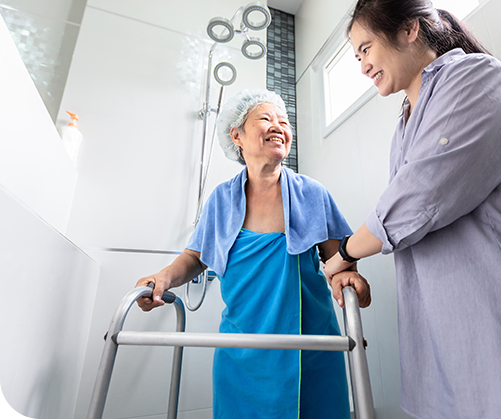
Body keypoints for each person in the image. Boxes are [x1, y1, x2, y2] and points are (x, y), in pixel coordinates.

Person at [324, 0, 501, 419]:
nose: (362, 65)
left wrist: (347, 252)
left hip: (498, 312)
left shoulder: (475, 77)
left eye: (366, 49)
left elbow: (421, 196)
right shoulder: (405, 122)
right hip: (444, 331)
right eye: (355, 57)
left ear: (409, 29)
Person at [136, 89, 370, 419]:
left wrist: (348, 274)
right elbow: (195, 257)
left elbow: (341, 258)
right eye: (265, 119)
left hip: (311, 351)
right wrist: (163, 278)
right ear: (237, 136)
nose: (278, 126)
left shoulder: (312, 194)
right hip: (242, 353)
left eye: (284, 121)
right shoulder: (221, 199)